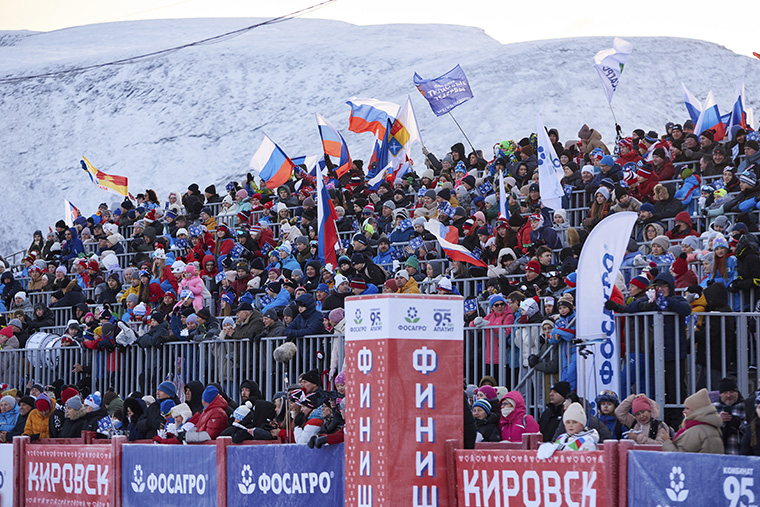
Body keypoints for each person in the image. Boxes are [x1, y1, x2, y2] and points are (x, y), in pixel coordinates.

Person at [662, 388, 723, 453]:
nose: (684, 411)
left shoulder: (696, 430)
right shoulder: (709, 427)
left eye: (687, 408)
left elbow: (680, 456)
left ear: (697, 410)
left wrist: (666, 441)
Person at [712, 377, 746, 455]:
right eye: (725, 392)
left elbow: (754, 430)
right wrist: (718, 420)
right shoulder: (713, 409)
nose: (728, 395)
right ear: (720, 394)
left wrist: (739, 424)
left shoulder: (746, 407)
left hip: (740, 454)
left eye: (731, 392)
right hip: (718, 454)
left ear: (737, 392)